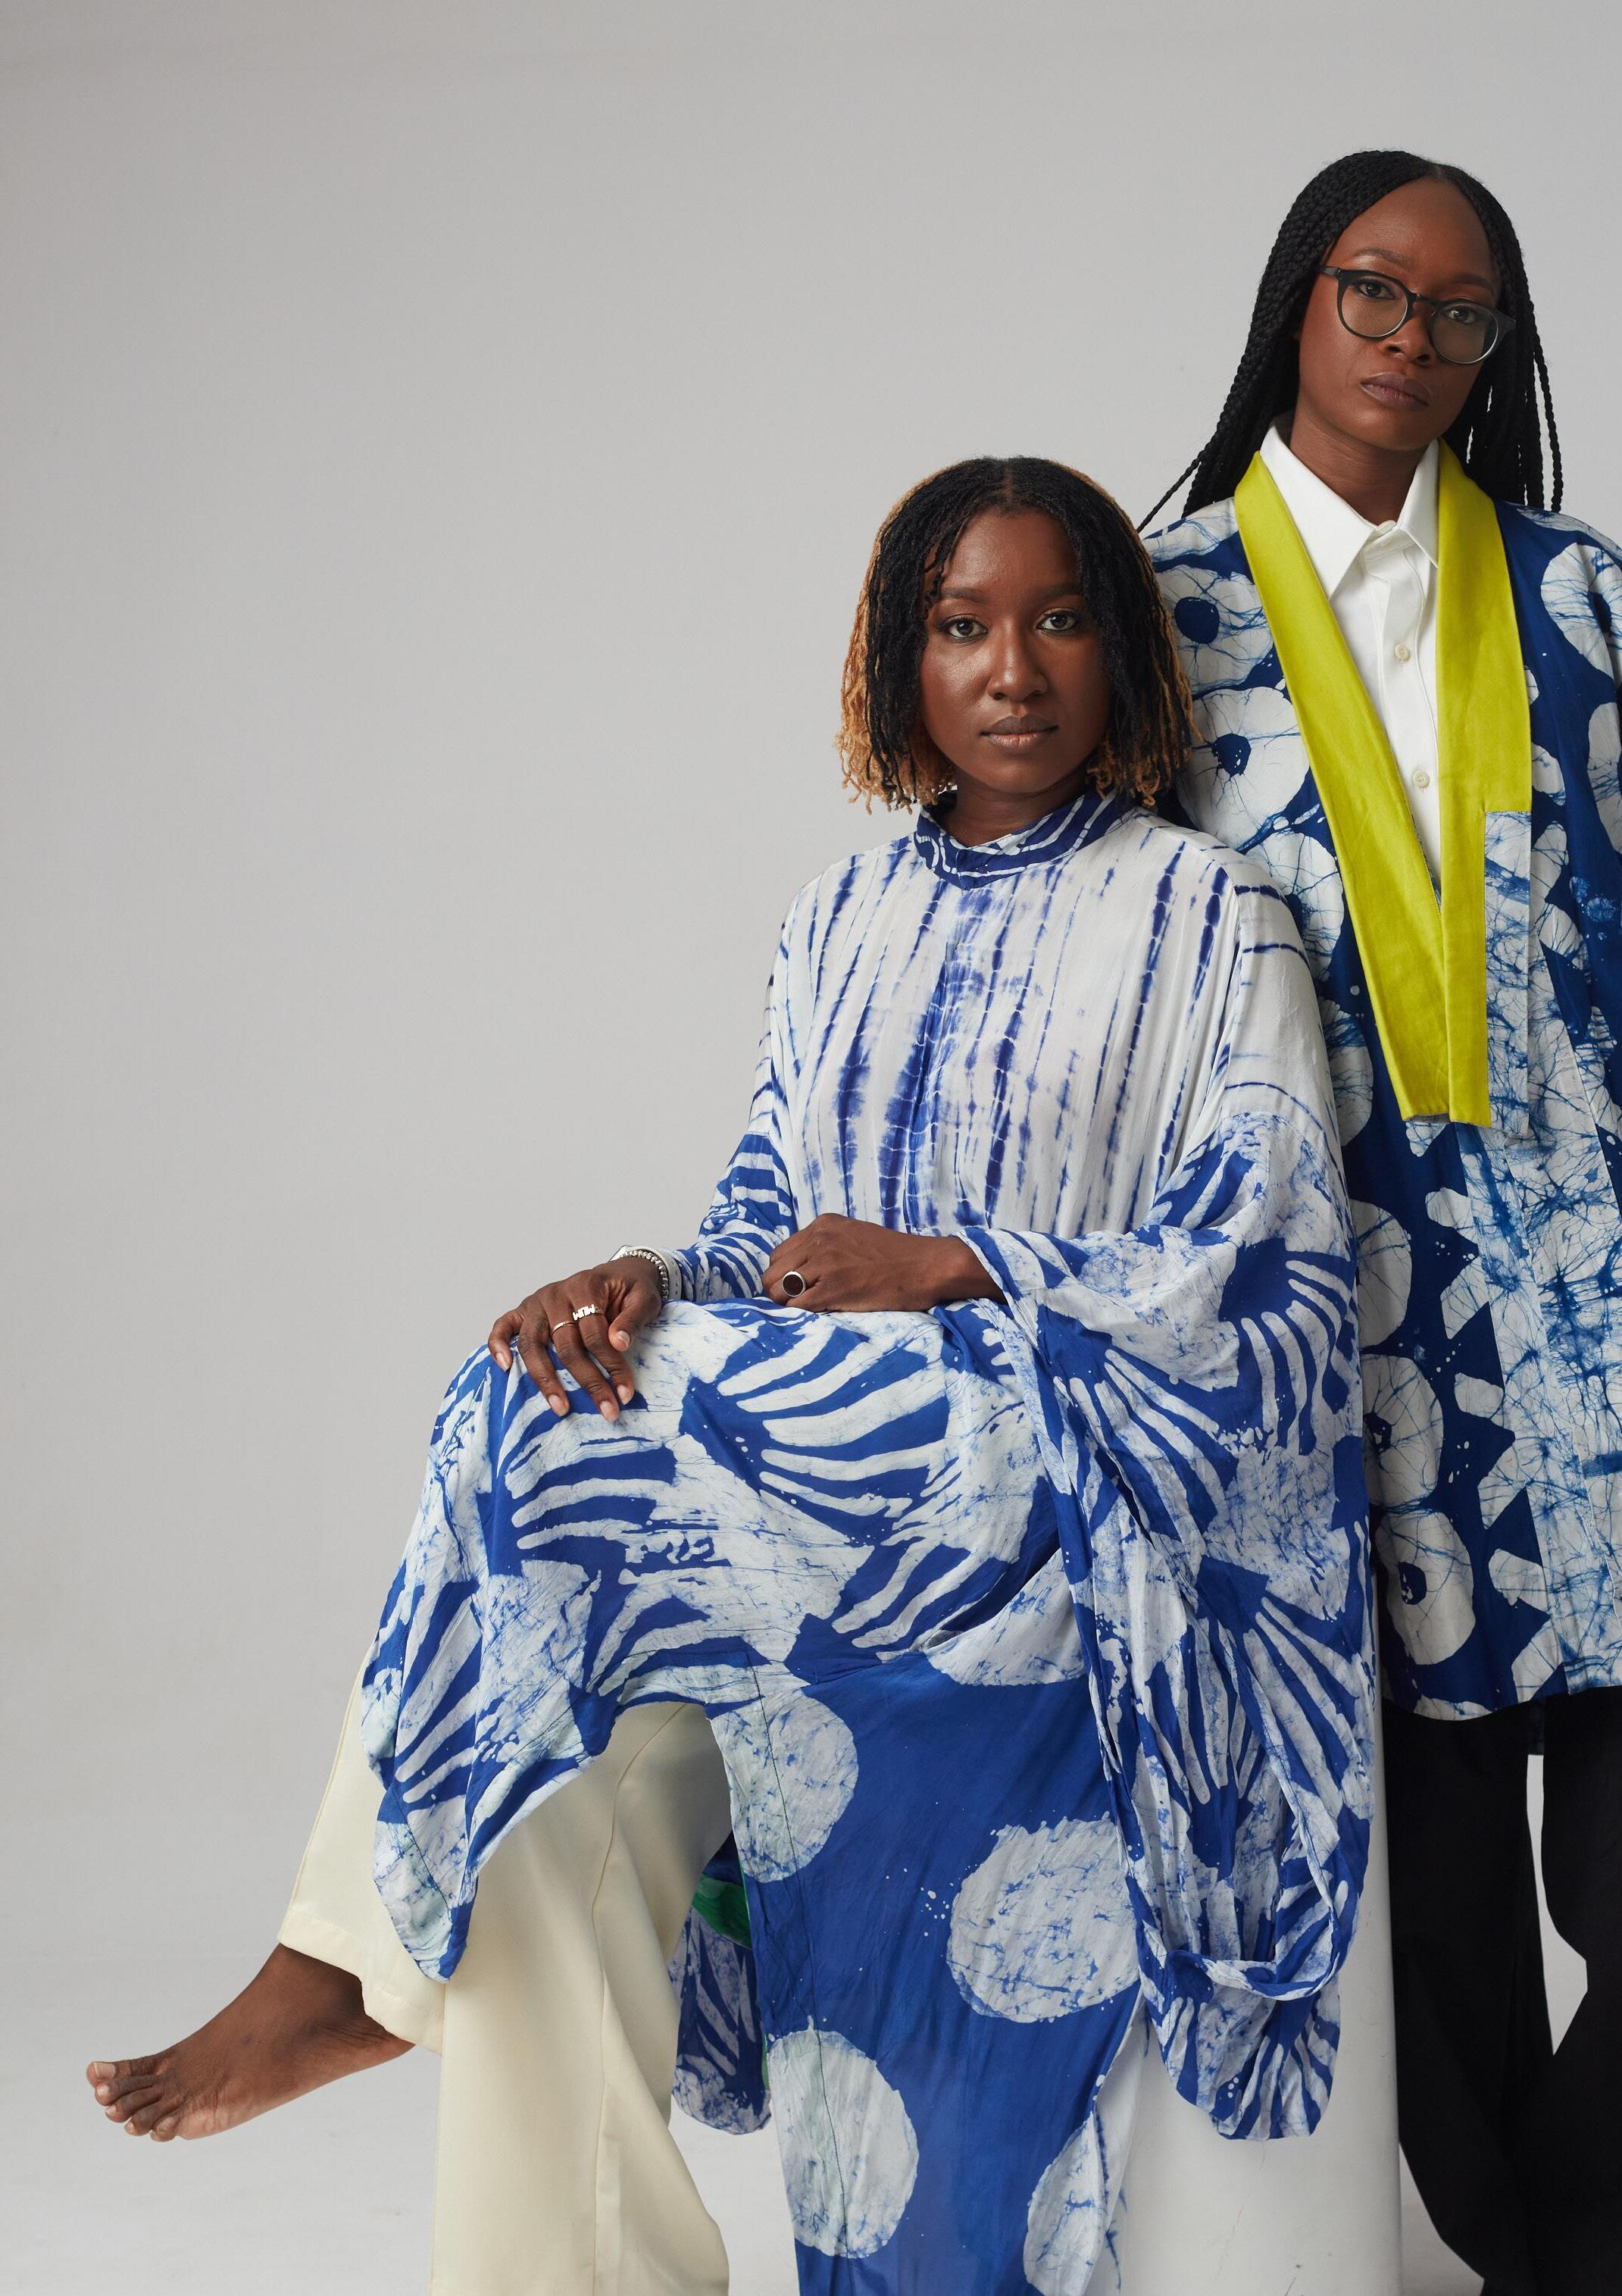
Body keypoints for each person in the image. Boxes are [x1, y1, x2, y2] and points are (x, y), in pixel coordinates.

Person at [88, 458, 1375, 2294]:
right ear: (900, 661)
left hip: (1042, 1472)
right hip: (810, 1473)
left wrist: (963, 1264)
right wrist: (644, 1283)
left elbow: (1268, 1249)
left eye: (1059, 620)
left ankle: (353, 1957)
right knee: (534, 1433)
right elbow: (765, 1222)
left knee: (535, 1438)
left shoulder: (1208, 909)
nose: (1014, 669)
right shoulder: (838, 916)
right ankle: (430, 2018)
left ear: (1125, 656)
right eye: (963, 626)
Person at [1147, 149, 1622, 2296]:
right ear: (1297, 295)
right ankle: (1522, 2244)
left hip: (1597, 1321)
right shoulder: (1154, 612)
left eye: (1460, 311)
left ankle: (1575, 2233)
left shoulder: (1584, 598)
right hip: (1323, 1332)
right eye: (1373, 289)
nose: (1412, 340)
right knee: (1419, 1888)